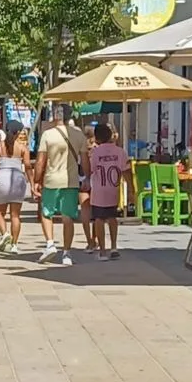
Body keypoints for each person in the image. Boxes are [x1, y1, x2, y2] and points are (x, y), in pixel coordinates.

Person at [35, 107, 89, 266]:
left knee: (46, 213)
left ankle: (50, 244)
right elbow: (85, 160)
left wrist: (37, 181)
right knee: (68, 218)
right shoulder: (79, 135)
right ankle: (67, 253)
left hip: (51, 180)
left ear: (56, 116)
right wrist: (87, 177)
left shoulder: (47, 134)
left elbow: (40, 161)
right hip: (71, 181)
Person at [0, 120, 33, 254]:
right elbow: (28, 167)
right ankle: (14, 245)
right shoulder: (23, 148)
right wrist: (33, 185)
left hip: (3, 179)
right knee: (15, 215)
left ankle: (5, 234)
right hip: (18, 179)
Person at [86, 123, 131, 261]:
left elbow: (90, 170)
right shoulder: (120, 151)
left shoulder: (95, 152)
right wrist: (131, 190)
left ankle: (102, 251)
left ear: (97, 138)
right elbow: (127, 171)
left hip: (99, 190)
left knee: (98, 219)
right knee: (112, 218)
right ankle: (114, 246)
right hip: (114, 189)